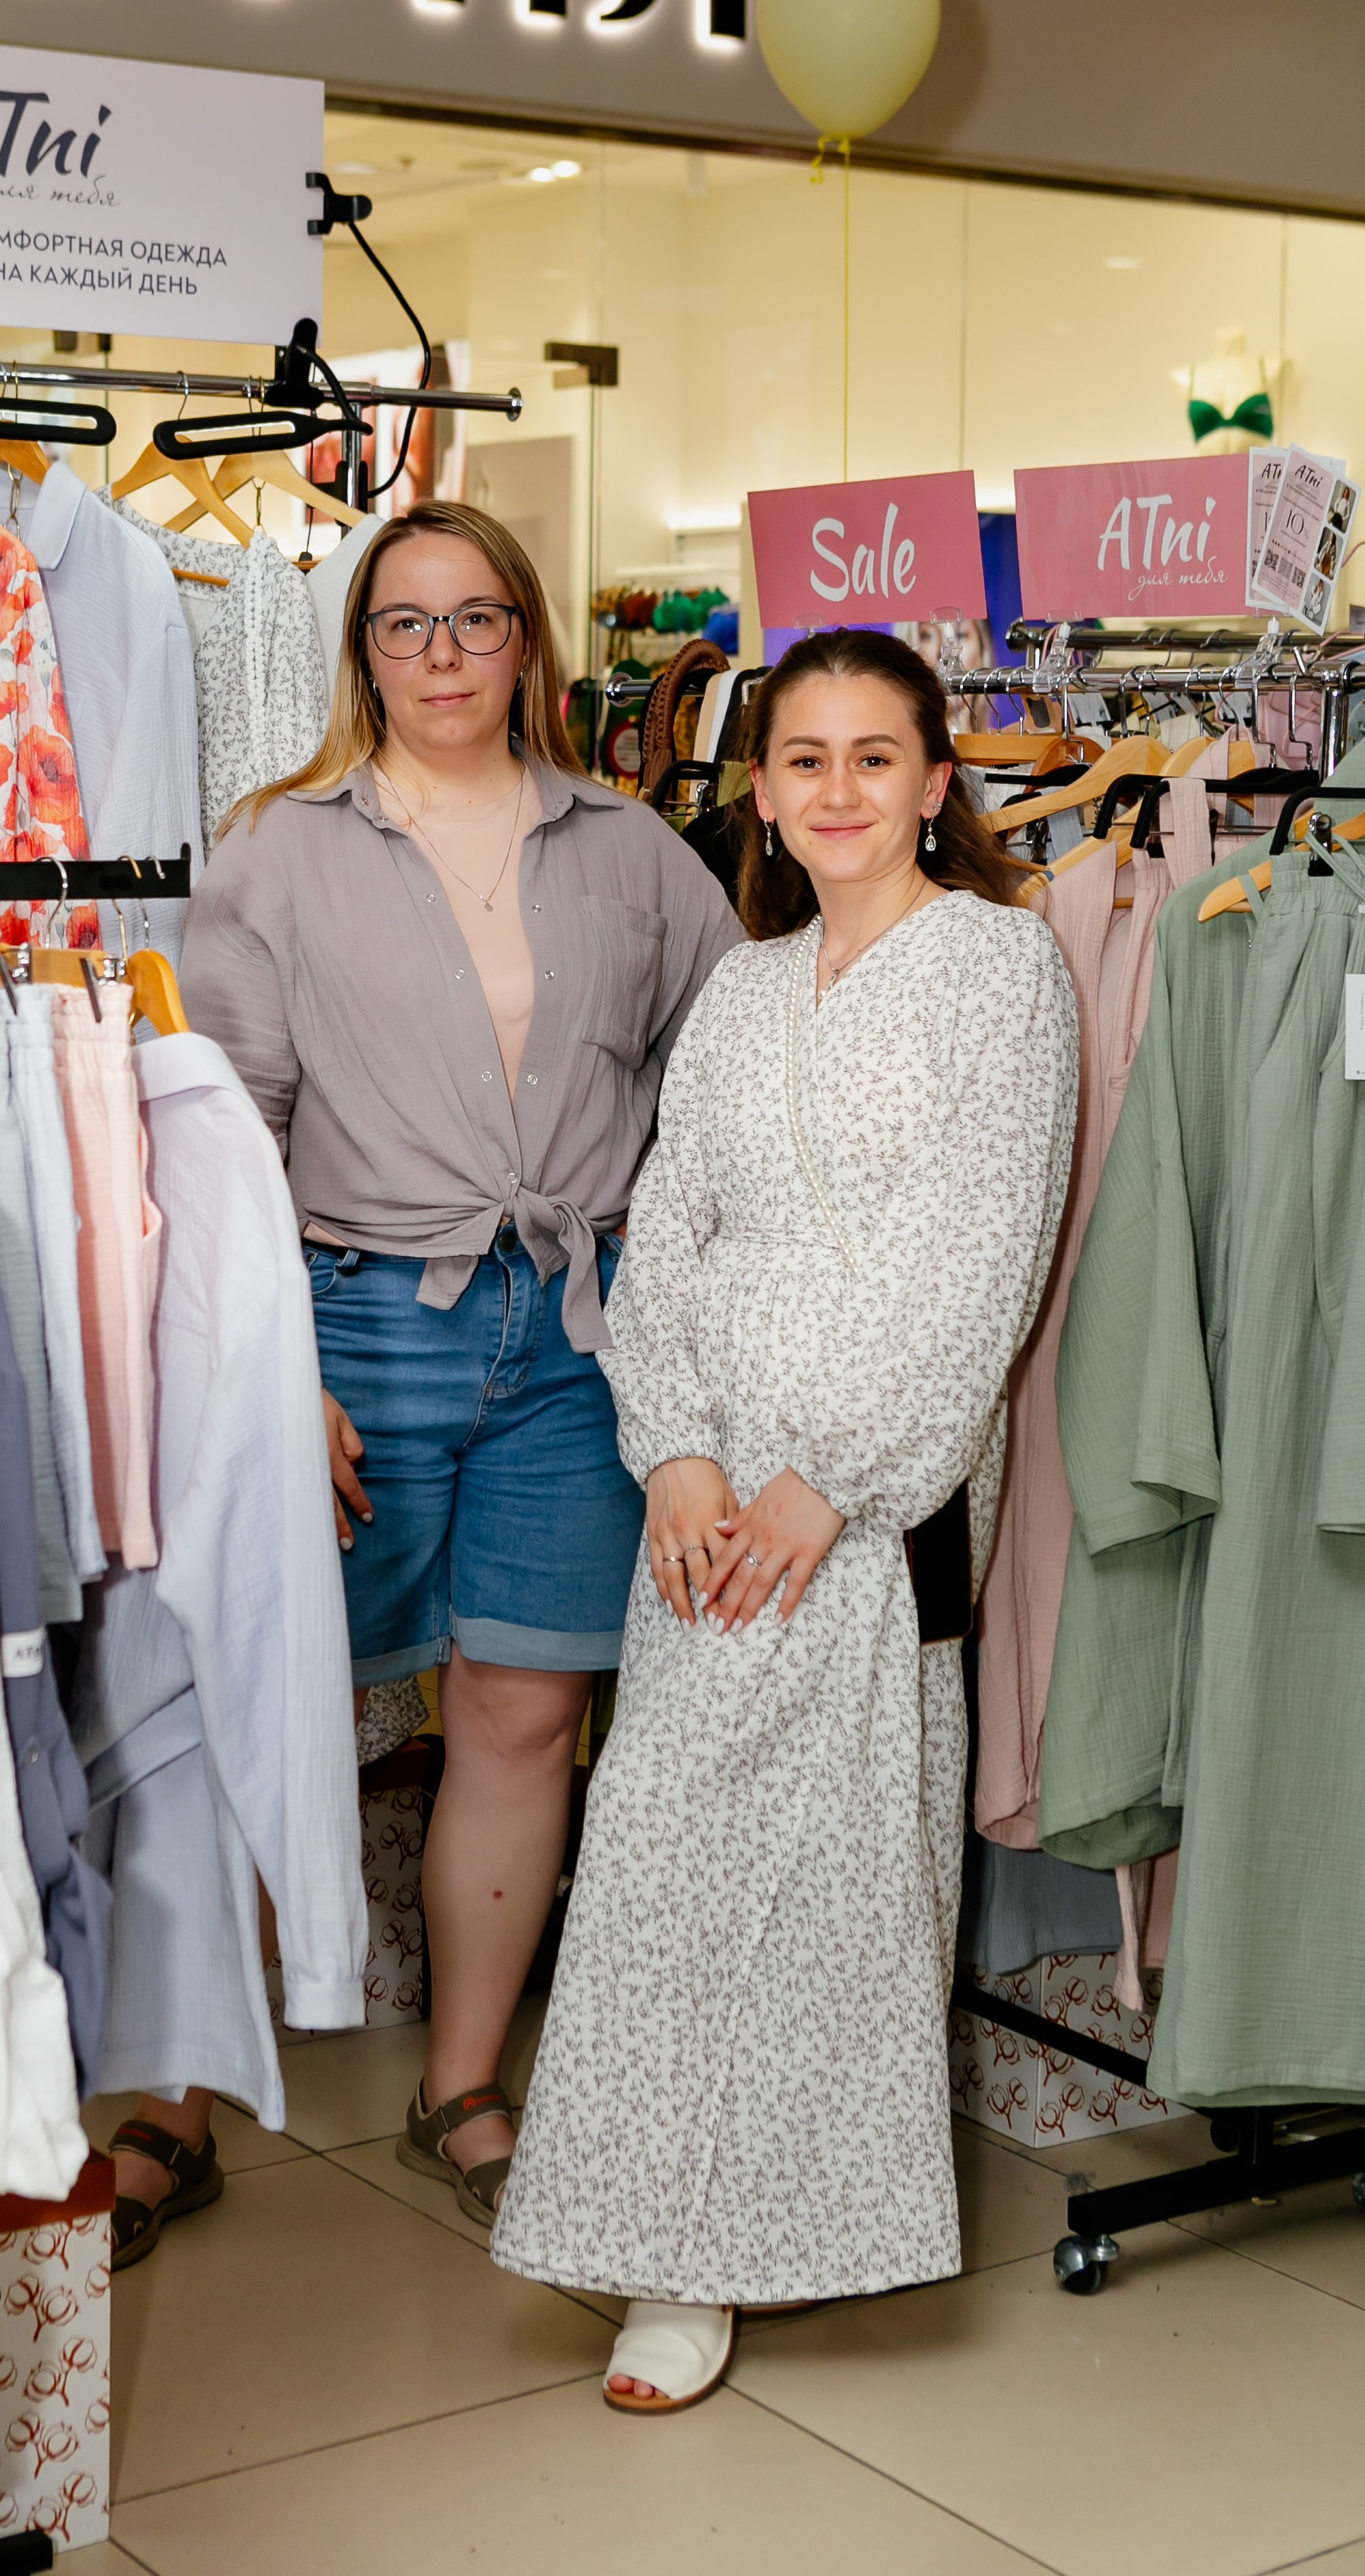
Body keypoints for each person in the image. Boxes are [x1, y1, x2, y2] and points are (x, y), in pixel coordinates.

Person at [97, 498, 744, 2260]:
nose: (442, 656)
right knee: (254, 1699)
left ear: (526, 642)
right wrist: (270, 1376)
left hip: (578, 1336)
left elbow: (724, 1083)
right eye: (403, 624)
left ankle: (460, 2081)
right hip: (353, 1319)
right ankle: (177, 2092)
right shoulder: (277, 849)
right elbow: (221, 1137)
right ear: (358, 650)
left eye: (474, 622)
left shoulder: (631, 853)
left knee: (522, 1706)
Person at [492, 629, 1078, 2410]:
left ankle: (767, 2239)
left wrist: (838, 1477)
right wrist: (669, 1450)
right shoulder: (741, 991)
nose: (836, 790)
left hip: (864, 1504)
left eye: (873, 757)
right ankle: (663, 2240)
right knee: (665, 1865)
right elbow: (661, 1237)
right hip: (701, 1507)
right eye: (802, 759)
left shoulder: (1003, 973)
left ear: (930, 780)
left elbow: (982, 1245)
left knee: (830, 1883)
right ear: (756, 791)